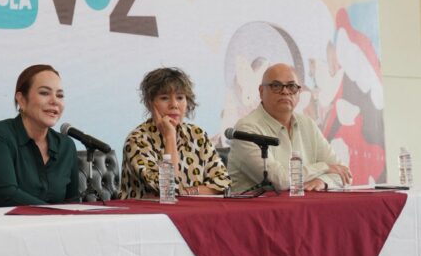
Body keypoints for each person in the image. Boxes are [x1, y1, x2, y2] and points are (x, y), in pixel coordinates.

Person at [228, 63, 352, 193]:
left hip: (301, 205)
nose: (285, 91)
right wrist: (324, 167)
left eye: (292, 86)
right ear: (261, 91)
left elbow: (344, 173)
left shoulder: (307, 124)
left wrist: (322, 181)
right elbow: (279, 181)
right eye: (276, 86)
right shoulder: (247, 129)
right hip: (256, 206)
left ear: (299, 93)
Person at [0, 64, 80, 207]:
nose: (55, 101)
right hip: (0, 221)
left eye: (60, 95)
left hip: (55, 221)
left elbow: (72, 202)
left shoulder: (66, 145)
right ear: (22, 100)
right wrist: (56, 214)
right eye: (44, 93)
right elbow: (7, 195)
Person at [120, 67, 231, 198]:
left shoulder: (197, 134)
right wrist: (170, 137)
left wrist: (187, 192)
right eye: (164, 98)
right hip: (148, 211)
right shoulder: (137, 140)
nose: (174, 105)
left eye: (180, 97)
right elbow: (167, 190)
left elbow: (223, 183)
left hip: (191, 209)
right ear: (150, 103)